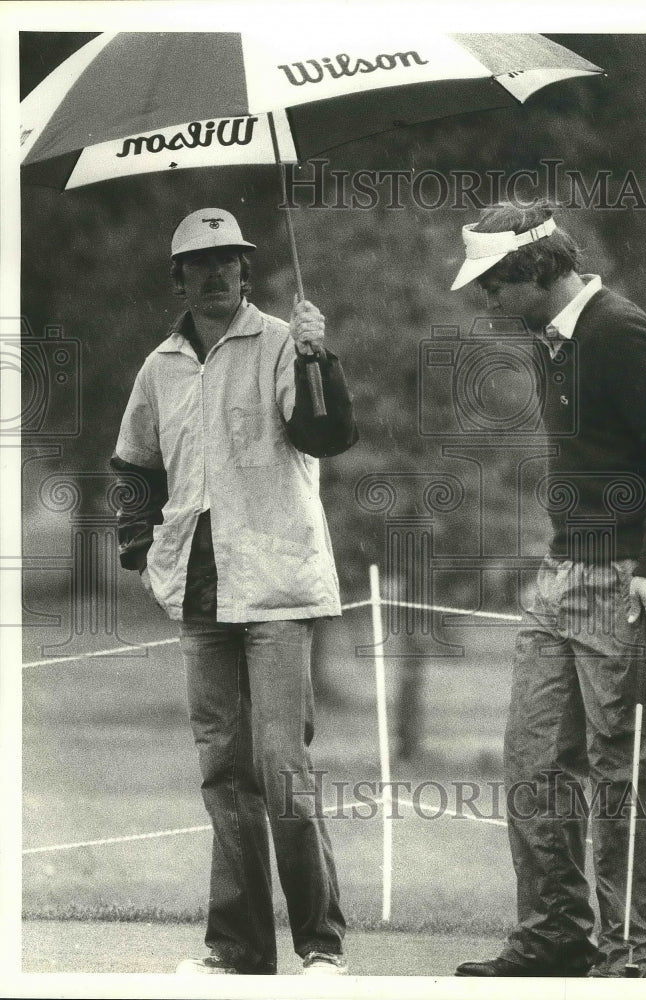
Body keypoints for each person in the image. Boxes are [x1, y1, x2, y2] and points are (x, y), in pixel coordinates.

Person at [449, 200, 646, 978]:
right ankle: (555, 936)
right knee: (532, 762)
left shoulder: (618, 331)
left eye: (493, 284)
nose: (485, 300)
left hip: (631, 574)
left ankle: (631, 955)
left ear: (536, 270)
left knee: (624, 769)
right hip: (564, 574)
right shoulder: (550, 341)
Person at [110, 208, 358, 976]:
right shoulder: (160, 365)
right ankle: (238, 951)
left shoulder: (285, 340)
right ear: (178, 276)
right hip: (198, 591)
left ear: (247, 270)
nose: (217, 273)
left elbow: (326, 436)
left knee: (283, 767)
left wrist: (320, 357)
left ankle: (321, 948)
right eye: (201, 262)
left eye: (231, 260)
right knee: (224, 772)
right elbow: (133, 467)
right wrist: (140, 551)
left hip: (278, 587)